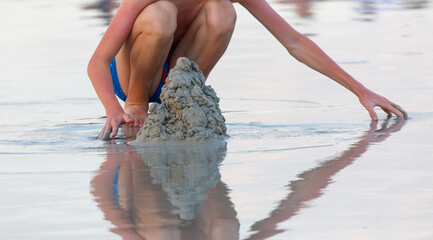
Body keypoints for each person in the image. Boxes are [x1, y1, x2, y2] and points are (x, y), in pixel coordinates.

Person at [87, 0, 408, 140]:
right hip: (133, 79)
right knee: (160, 14)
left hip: (173, 73)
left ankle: (180, 105)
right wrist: (115, 109)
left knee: (223, 11)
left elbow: (293, 42)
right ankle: (139, 106)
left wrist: (361, 90)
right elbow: (97, 62)